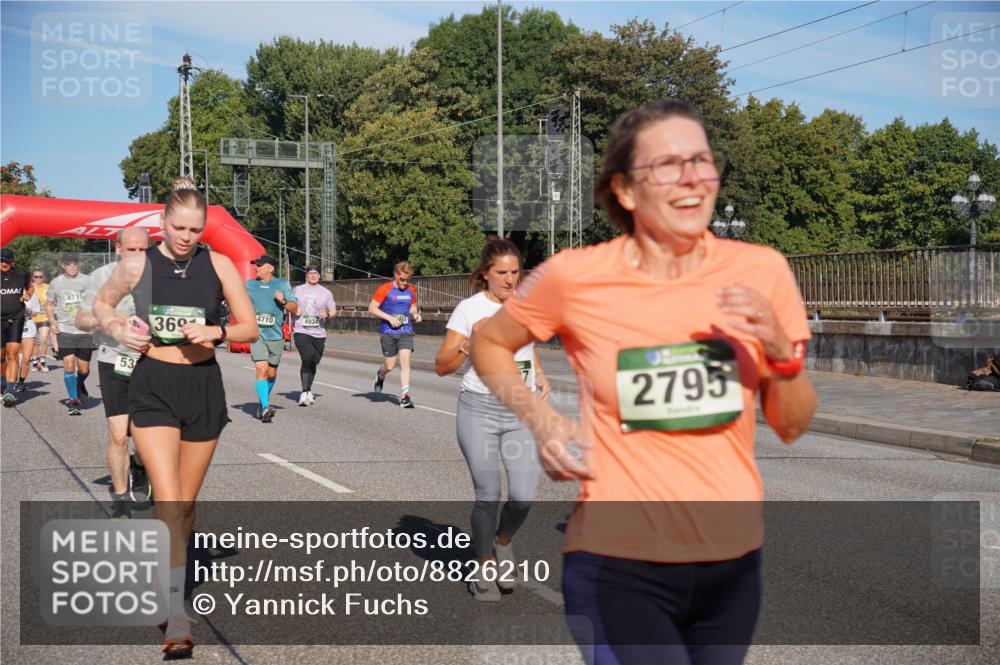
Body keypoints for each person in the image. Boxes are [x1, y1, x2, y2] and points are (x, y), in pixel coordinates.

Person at [472, 100, 817, 665]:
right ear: (626, 190)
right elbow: (489, 342)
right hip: (619, 563)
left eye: (702, 161)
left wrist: (781, 353)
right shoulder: (576, 276)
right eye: (669, 165)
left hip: (732, 564)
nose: (693, 178)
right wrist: (542, 420)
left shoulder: (761, 270)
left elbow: (792, 424)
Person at [93, 186, 258, 656]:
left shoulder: (219, 264)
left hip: (202, 387)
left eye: (195, 229)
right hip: (153, 387)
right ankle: (175, 611)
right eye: (178, 227)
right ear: (162, 223)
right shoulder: (138, 265)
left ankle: (164, 574)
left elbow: (249, 326)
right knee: (167, 500)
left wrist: (216, 330)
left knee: (184, 505)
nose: (186, 236)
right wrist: (119, 327)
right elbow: (102, 305)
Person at [435, 238, 551, 601]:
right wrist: (472, 342)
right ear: (485, 274)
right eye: (501, 272)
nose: (510, 279)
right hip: (479, 409)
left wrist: (538, 372)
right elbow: (442, 366)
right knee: (488, 495)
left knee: (523, 497)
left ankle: (503, 542)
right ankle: (483, 563)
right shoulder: (468, 310)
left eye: (515, 272)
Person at [76, 228, 153, 519]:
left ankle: (140, 466)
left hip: (153, 363)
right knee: (119, 435)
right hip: (114, 360)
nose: (137, 255)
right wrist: (105, 320)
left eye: (143, 249)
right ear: (118, 248)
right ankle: (121, 500)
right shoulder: (102, 276)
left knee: (145, 436)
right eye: (131, 249)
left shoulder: (161, 276)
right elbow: (81, 319)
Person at [245, 255, 298, 422]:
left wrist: (283, 300)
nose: (256, 267)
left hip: (275, 336)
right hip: (257, 335)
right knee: (261, 369)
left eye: (260, 265)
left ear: (271, 268)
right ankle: (266, 406)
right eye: (256, 265)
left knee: (271, 372)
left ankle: (263, 402)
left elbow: (294, 308)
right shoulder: (249, 285)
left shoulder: (282, 284)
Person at [369, 260, 422, 408]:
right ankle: (381, 374)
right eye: (402, 279)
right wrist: (389, 318)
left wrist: (416, 314)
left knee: (405, 362)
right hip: (388, 332)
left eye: (407, 279)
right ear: (396, 275)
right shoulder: (384, 289)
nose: (405, 282)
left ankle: (405, 397)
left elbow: (412, 307)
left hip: (406, 331)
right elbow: (372, 308)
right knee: (390, 365)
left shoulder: (411, 290)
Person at [46, 253, 92, 415]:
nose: (72, 266)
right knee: (69, 363)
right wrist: (52, 321)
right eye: (68, 263)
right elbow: (49, 304)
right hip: (65, 330)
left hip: (84, 331)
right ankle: (73, 400)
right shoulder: (56, 283)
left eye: (74, 263)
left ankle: (79, 382)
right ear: (62, 265)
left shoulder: (88, 281)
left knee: (84, 370)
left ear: (78, 264)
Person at [291, 265, 335, 405]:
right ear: (306, 275)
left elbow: (333, 311)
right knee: (307, 358)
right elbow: (289, 305)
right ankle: (304, 392)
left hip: (319, 333)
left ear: (319, 276)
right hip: (301, 330)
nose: (313, 275)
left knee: (313, 361)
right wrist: (294, 309)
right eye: (311, 273)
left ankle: (309, 390)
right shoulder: (298, 290)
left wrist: (327, 314)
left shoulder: (326, 293)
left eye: (316, 273)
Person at [1, 247, 32, 406]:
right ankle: (2, 381)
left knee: (12, 354)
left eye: (7, 261)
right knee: (1, 357)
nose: (4, 263)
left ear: (12, 262)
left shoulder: (21, 274)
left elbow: (30, 286)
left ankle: (10, 391)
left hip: (16, 318)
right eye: (1, 260)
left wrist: (28, 294)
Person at [14, 290, 41, 392]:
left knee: (26, 358)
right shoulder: (9, 291)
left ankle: (21, 383)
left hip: (28, 327)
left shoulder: (31, 295)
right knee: (14, 358)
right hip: (13, 326)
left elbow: (35, 313)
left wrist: (27, 310)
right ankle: (11, 382)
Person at [30, 267, 52, 372]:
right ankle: (35, 362)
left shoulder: (48, 287)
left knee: (43, 339)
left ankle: (42, 362)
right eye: (36, 277)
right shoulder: (29, 287)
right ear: (33, 277)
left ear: (43, 277)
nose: (38, 278)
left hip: (44, 317)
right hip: (32, 318)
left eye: (40, 277)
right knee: (34, 342)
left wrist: (47, 303)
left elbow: (54, 300)